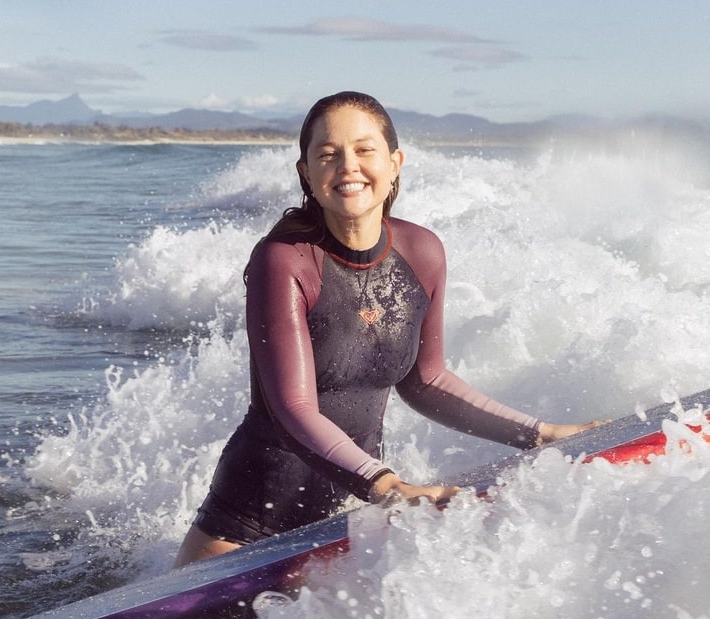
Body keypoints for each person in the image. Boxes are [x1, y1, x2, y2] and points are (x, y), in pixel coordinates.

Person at [175, 91, 599, 567]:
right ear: (306, 174)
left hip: (344, 517)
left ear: (395, 162)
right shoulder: (285, 261)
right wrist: (389, 486)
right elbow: (291, 409)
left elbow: (426, 380)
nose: (348, 166)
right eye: (328, 155)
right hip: (246, 530)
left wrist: (540, 435)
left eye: (364, 150)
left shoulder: (422, 252)